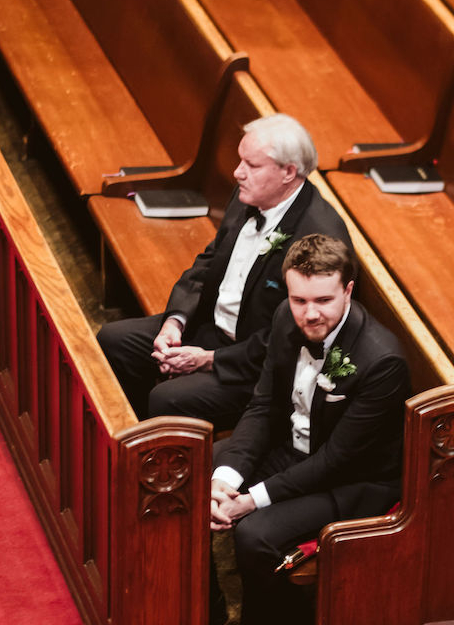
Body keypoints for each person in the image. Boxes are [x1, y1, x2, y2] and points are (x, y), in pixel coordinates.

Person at [206, 234, 410, 625]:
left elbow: (337, 461)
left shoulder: (382, 361)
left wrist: (250, 501)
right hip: (297, 449)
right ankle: (204, 607)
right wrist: (226, 481)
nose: (309, 314)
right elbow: (263, 407)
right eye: (299, 300)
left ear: (348, 291)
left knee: (254, 534)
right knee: (201, 474)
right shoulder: (285, 319)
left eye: (323, 300)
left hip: (355, 480)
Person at [97, 113, 351, 428]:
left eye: (252, 165)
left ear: (288, 172)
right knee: (114, 340)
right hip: (212, 326)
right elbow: (209, 260)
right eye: (240, 160)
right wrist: (175, 323)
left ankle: (161, 457)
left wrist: (208, 361)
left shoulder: (319, 238)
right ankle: (132, 434)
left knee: (168, 397)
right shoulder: (249, 195)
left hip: (259, 365)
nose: (237, 172)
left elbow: (293, 337)